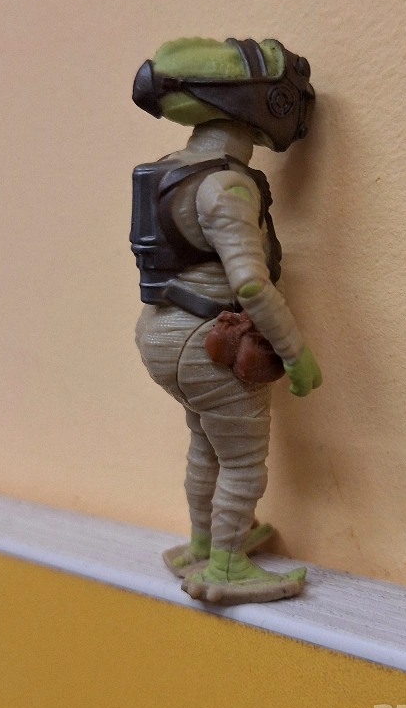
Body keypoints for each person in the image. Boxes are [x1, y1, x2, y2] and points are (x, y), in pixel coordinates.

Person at [131, 37, 322, 604]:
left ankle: (202, 542)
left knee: (206, 444)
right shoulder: (227, 185)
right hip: (209, 340)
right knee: (241, 460)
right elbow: (249, 283)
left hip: (160, 333)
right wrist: (295, 353)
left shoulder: (168, 170)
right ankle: (229, 565)